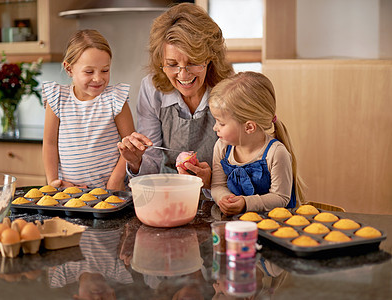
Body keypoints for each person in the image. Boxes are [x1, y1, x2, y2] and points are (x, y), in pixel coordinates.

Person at [117, 3, 234, 189]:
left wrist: (213, 181)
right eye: (172, 64)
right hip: (170, 192)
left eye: (193, 62)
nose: (183, 75)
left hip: (223, 196)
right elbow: (151, 164)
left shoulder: (231, 90)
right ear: (160, 61)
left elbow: (246, 164)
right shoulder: (152, 89)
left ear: (209, 57)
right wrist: (136, 162)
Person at [43, 29, 135, 190]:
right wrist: (54, 183)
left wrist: (114, 181)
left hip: (111, 192)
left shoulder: (115, 99)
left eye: (105, 70)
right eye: (89, 71)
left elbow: (130, 145)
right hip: (69, 192)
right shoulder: (57, 98)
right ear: (69, 69)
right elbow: (49, 144)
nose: (98, 78)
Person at [209, 71, 305, 215]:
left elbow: (281, 198)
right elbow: (217, 185)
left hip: (274, 227)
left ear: (249, 127)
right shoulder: (222, 147)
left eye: (221, 123)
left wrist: (246, 203)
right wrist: (223, 198)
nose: (215, 127)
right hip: (236, 225)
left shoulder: (276, 153)